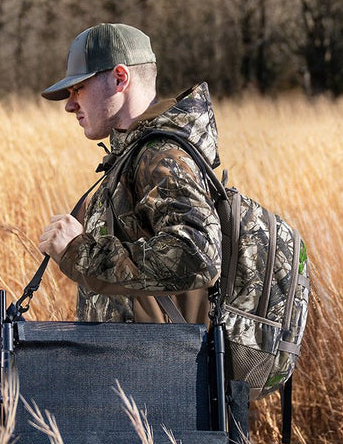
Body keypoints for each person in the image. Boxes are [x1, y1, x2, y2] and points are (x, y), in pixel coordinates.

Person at [38, 23, 222, 326]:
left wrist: (79, 251)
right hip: (136, 354)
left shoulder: (160, 156)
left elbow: (198, 255)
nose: (70, 105)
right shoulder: (133, 156)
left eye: (78, 88)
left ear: (120, 78)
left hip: (157, 357)